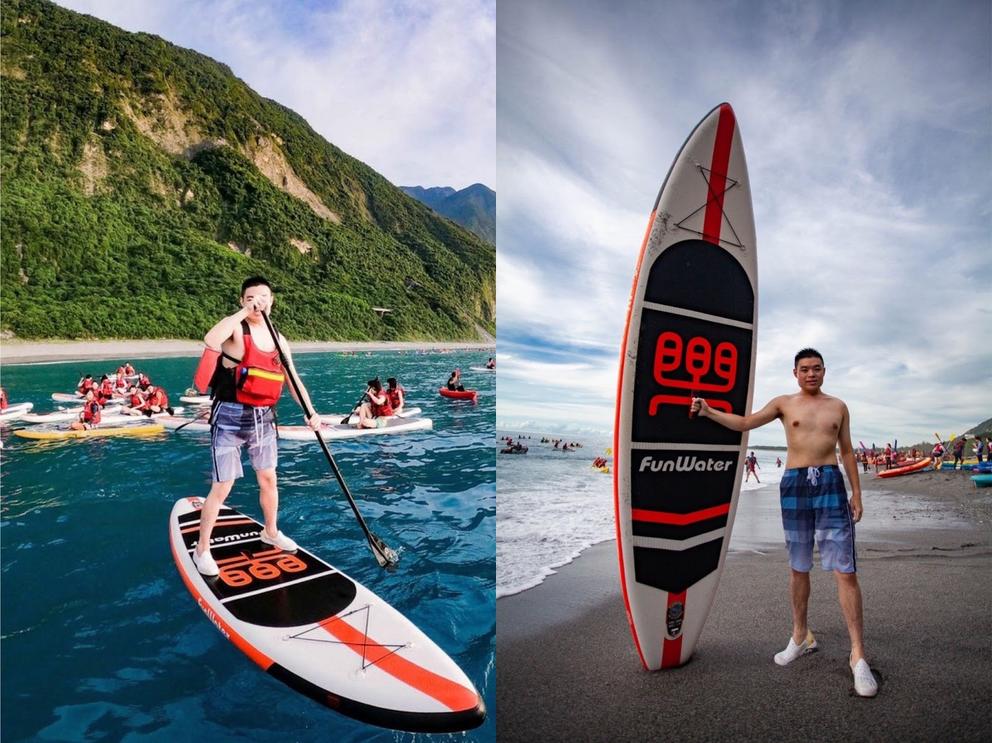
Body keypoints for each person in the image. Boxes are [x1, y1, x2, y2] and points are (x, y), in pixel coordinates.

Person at [691, 348, 877, 697]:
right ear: (795, 373)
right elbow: (745, 423)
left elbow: (848, 450)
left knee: (845, 570)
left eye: (816, 368)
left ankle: (858, 656)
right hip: (793, 485)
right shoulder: (783, 403)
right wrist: (707, 411)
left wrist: (857, 492)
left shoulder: (838, 406)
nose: (811, 374)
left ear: (825, 371)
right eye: (804, 369)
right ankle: (800, 636)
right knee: (798, 567)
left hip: (831, 485)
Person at [191, 277, 321, 577]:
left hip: (263, 417)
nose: (257, 302)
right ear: (242, 301)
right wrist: (243, 312)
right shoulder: (237, 329)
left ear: (272, 301)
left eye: (263, 296)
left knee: (268, 479)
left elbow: (292, 380)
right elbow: (211, 339)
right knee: (223, 486)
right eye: (250, 297)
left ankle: (271, 531)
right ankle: (202, 550)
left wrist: (310, 412)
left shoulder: (279, 339)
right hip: (229, 415)